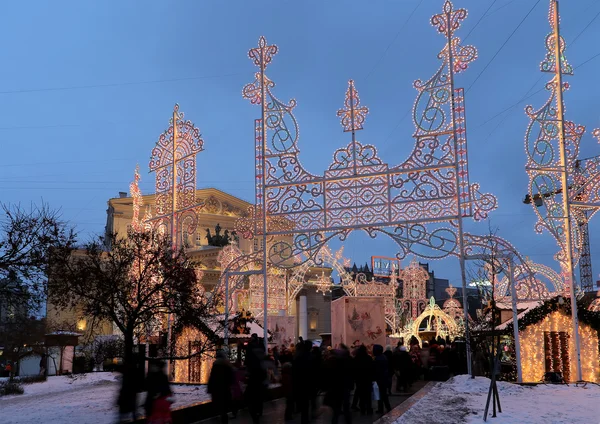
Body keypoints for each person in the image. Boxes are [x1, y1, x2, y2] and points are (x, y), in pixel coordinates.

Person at [323, 345, 353, 424]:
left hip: (338, 387)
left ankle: (335, 420)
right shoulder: (348, 360)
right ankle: (346, 420)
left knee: (337, 406)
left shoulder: (334, 361)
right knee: (345, 406)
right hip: (345, 385)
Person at [208, 350, 234, 423]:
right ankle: (224, 418)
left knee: (219, 406)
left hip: (217, 389)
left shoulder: (216, 365)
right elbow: (231, 377)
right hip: (225, 388)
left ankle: (221, 417)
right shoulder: (227, 365)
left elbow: (212, 377)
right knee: (224, 407)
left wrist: (210, 387)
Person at [353, 345, 374, 415]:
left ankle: (362, 409)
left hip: (359, 379)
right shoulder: (368, 358)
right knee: (368, 395)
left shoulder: (356, 358)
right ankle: (369, 408)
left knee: (361, 395)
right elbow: (372, 368)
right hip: (367, 379)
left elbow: (354, 369)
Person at [373, 345, 391, 414]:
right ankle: (386, 407)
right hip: (384, 378)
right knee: (383, 394)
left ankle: (382, 408)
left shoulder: (378, 359)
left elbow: (376, 370)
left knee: (381, 394)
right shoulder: (383, 357)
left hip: (380, 378)